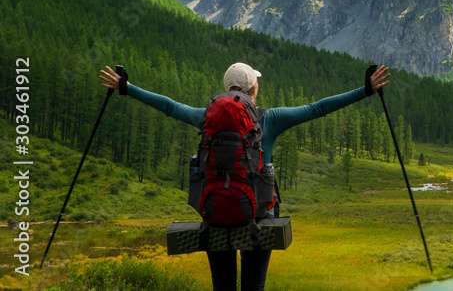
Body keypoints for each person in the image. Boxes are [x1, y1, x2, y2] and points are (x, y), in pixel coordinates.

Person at [99, 62, 390, 291]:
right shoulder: (270, 119)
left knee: (222, 287)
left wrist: (127, 88)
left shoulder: (207, 117)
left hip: (215, 215)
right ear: (253, 87)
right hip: (259, 217)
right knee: (254, 287)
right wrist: (365, 90)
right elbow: (319, 108)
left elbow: (169, 106)